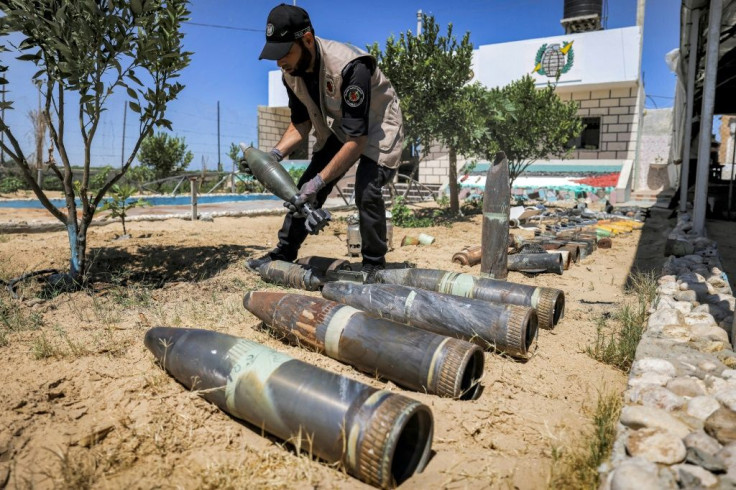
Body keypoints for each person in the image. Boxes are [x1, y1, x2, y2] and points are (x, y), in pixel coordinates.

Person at [243, 3, 403, 282]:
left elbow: (359, 140)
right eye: (275, 55)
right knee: (302, 190)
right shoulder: (291, 73)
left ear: (306, 40)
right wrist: (273, 156)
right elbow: (301, 123)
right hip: (345, 125)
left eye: (284, 53)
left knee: (366, 189)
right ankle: (283, 252)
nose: (279, 62)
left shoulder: (352, 66)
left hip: (379, 126)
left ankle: (374, 265)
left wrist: (319, 183)